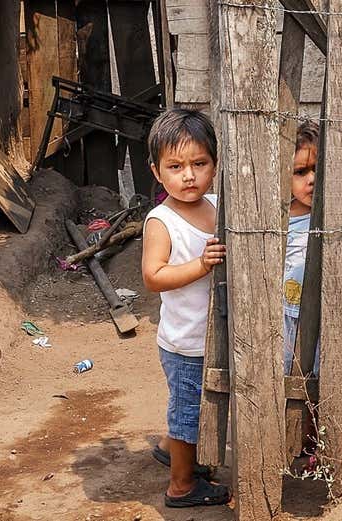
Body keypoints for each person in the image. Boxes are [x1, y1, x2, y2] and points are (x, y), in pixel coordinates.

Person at [141, 108, 231, 508]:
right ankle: (181, 486)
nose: (189, 175)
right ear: (157, 172)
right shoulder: (162, 221)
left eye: (199, 163)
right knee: (188, 415)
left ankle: (170, 450)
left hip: (207, 336)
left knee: (192, 407)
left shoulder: (216, 205)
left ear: (215, 163)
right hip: (185, 342)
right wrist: (200, 265)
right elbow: (153, 276)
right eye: (175, 167)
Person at [283, 120, 320, 378]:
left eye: (317, 168)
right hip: (284, 319)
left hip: (321, 320)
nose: (312, 179)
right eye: (301, 172)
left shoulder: (334, 217)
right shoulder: (279, 220)